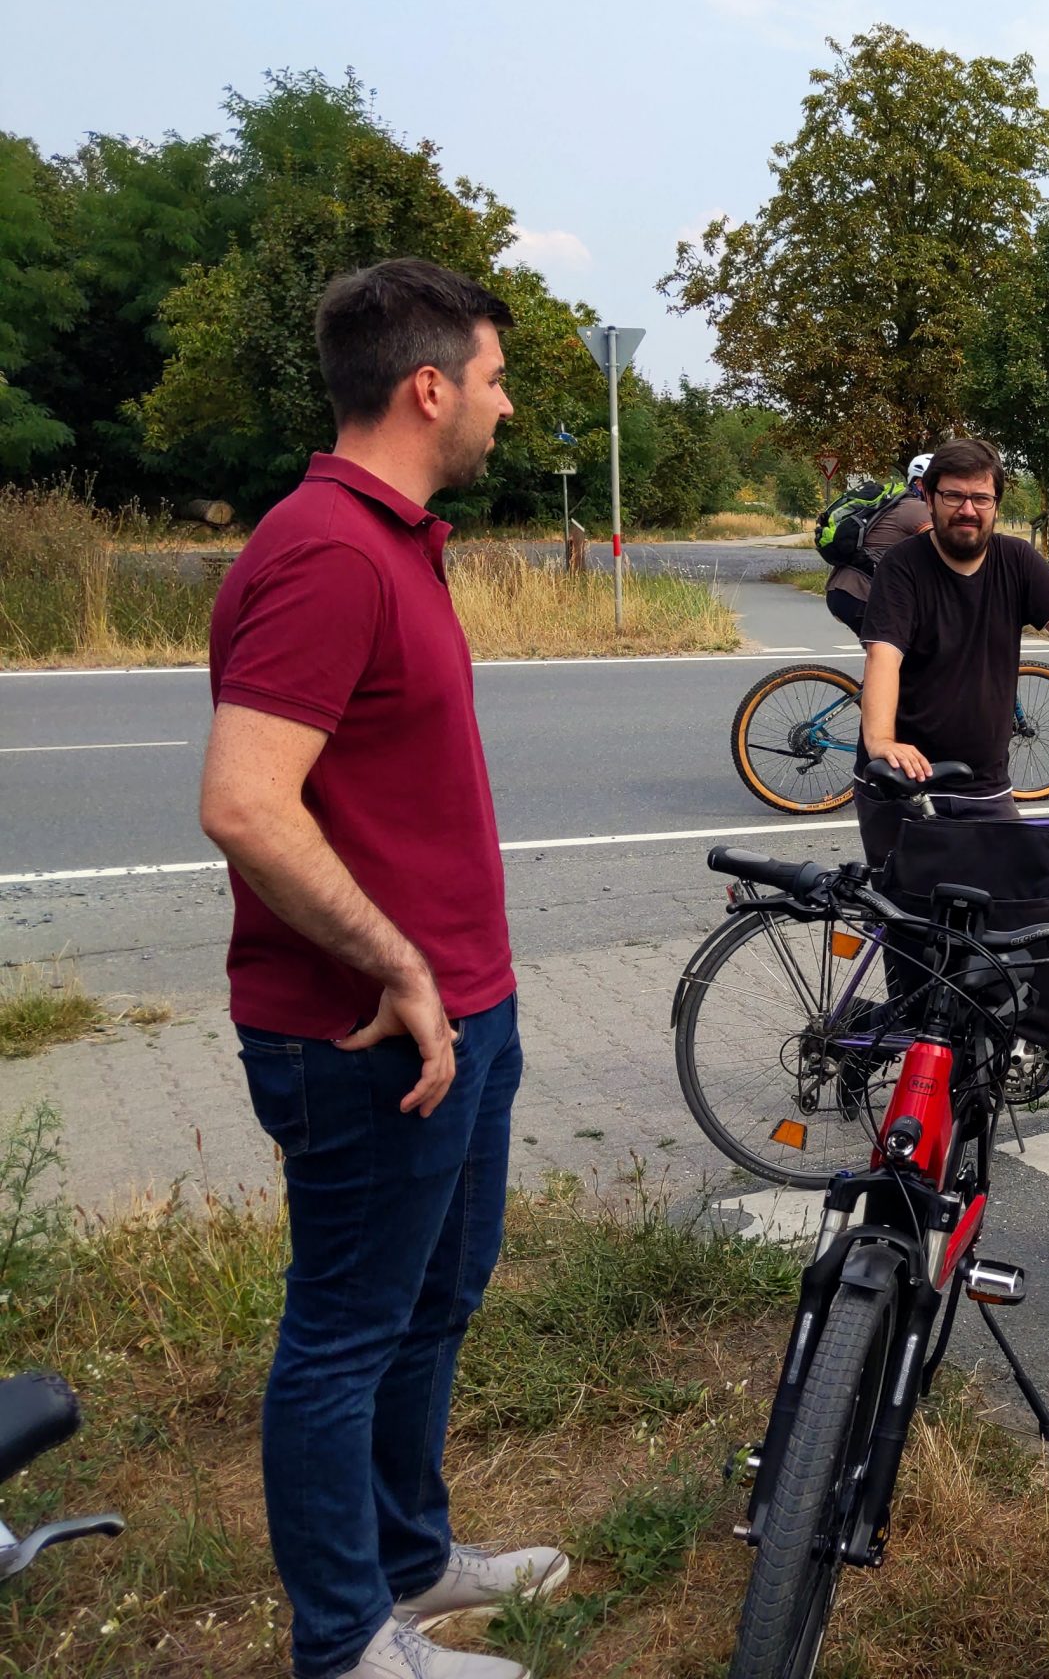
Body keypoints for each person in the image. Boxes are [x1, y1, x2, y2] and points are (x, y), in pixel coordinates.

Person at [198, 259, 557, 1679]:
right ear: (429, 389)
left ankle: (412, 1559)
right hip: (364, 1030)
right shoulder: (327, 553)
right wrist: (398, 967)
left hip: (466, 1004)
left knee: (436, 1298)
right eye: (493, 376)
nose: (505, 401)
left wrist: (461, 978)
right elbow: (244, 801)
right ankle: (346, 1641)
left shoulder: (396, 536)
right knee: (346, 1334)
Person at [856, 437, 1049, 864]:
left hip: (986, 786)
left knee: (1006, 911)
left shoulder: (1018, 560)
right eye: (954, 496)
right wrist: (882, 740)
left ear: (996, 503)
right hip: (906, 784)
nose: (968, 510)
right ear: (928, 496)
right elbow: (884, 656)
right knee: (909, 922)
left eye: (981, 498)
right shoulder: (902, 566)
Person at [823, 451, 933, 634]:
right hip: (860, 594)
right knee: (912, 646)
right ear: (919, 484)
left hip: (845, 591)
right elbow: (942, 551)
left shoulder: (899, 503)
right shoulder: (917, 509)